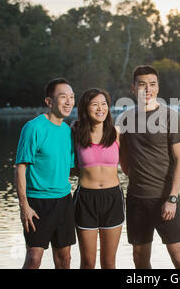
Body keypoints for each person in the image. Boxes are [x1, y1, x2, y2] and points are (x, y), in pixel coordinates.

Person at [119, 65, 180, 269]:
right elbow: (125, 162)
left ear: (158, 88)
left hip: (166, 200)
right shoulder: (126, 119)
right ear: (133, 89)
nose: (147, 89)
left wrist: (172, 198)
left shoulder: (171, 117)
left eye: (152, 84)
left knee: (178, 257)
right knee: (139, 259)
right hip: (136, 200)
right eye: (142, 85)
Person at [14, 78, 76, 269]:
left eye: (72, 97)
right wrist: (24, 205)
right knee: (34, 258)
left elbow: (71, 169)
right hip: (37, 203)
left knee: (64, 259)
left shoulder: (68, 131)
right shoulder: (33, 128)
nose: (69, 102)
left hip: (64, 201)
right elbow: (20, 167)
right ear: (49, 102)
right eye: (63, 97)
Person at [71, 88, 124, 269]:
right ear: (85, 108)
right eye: (94, 104)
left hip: (112, 199)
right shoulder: (75, 133)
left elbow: (129, 165)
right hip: (85, 199)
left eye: (103, 104)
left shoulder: (116, 134)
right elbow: (68, 166)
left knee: (109, 263)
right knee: (87, 263)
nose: (100, 108)